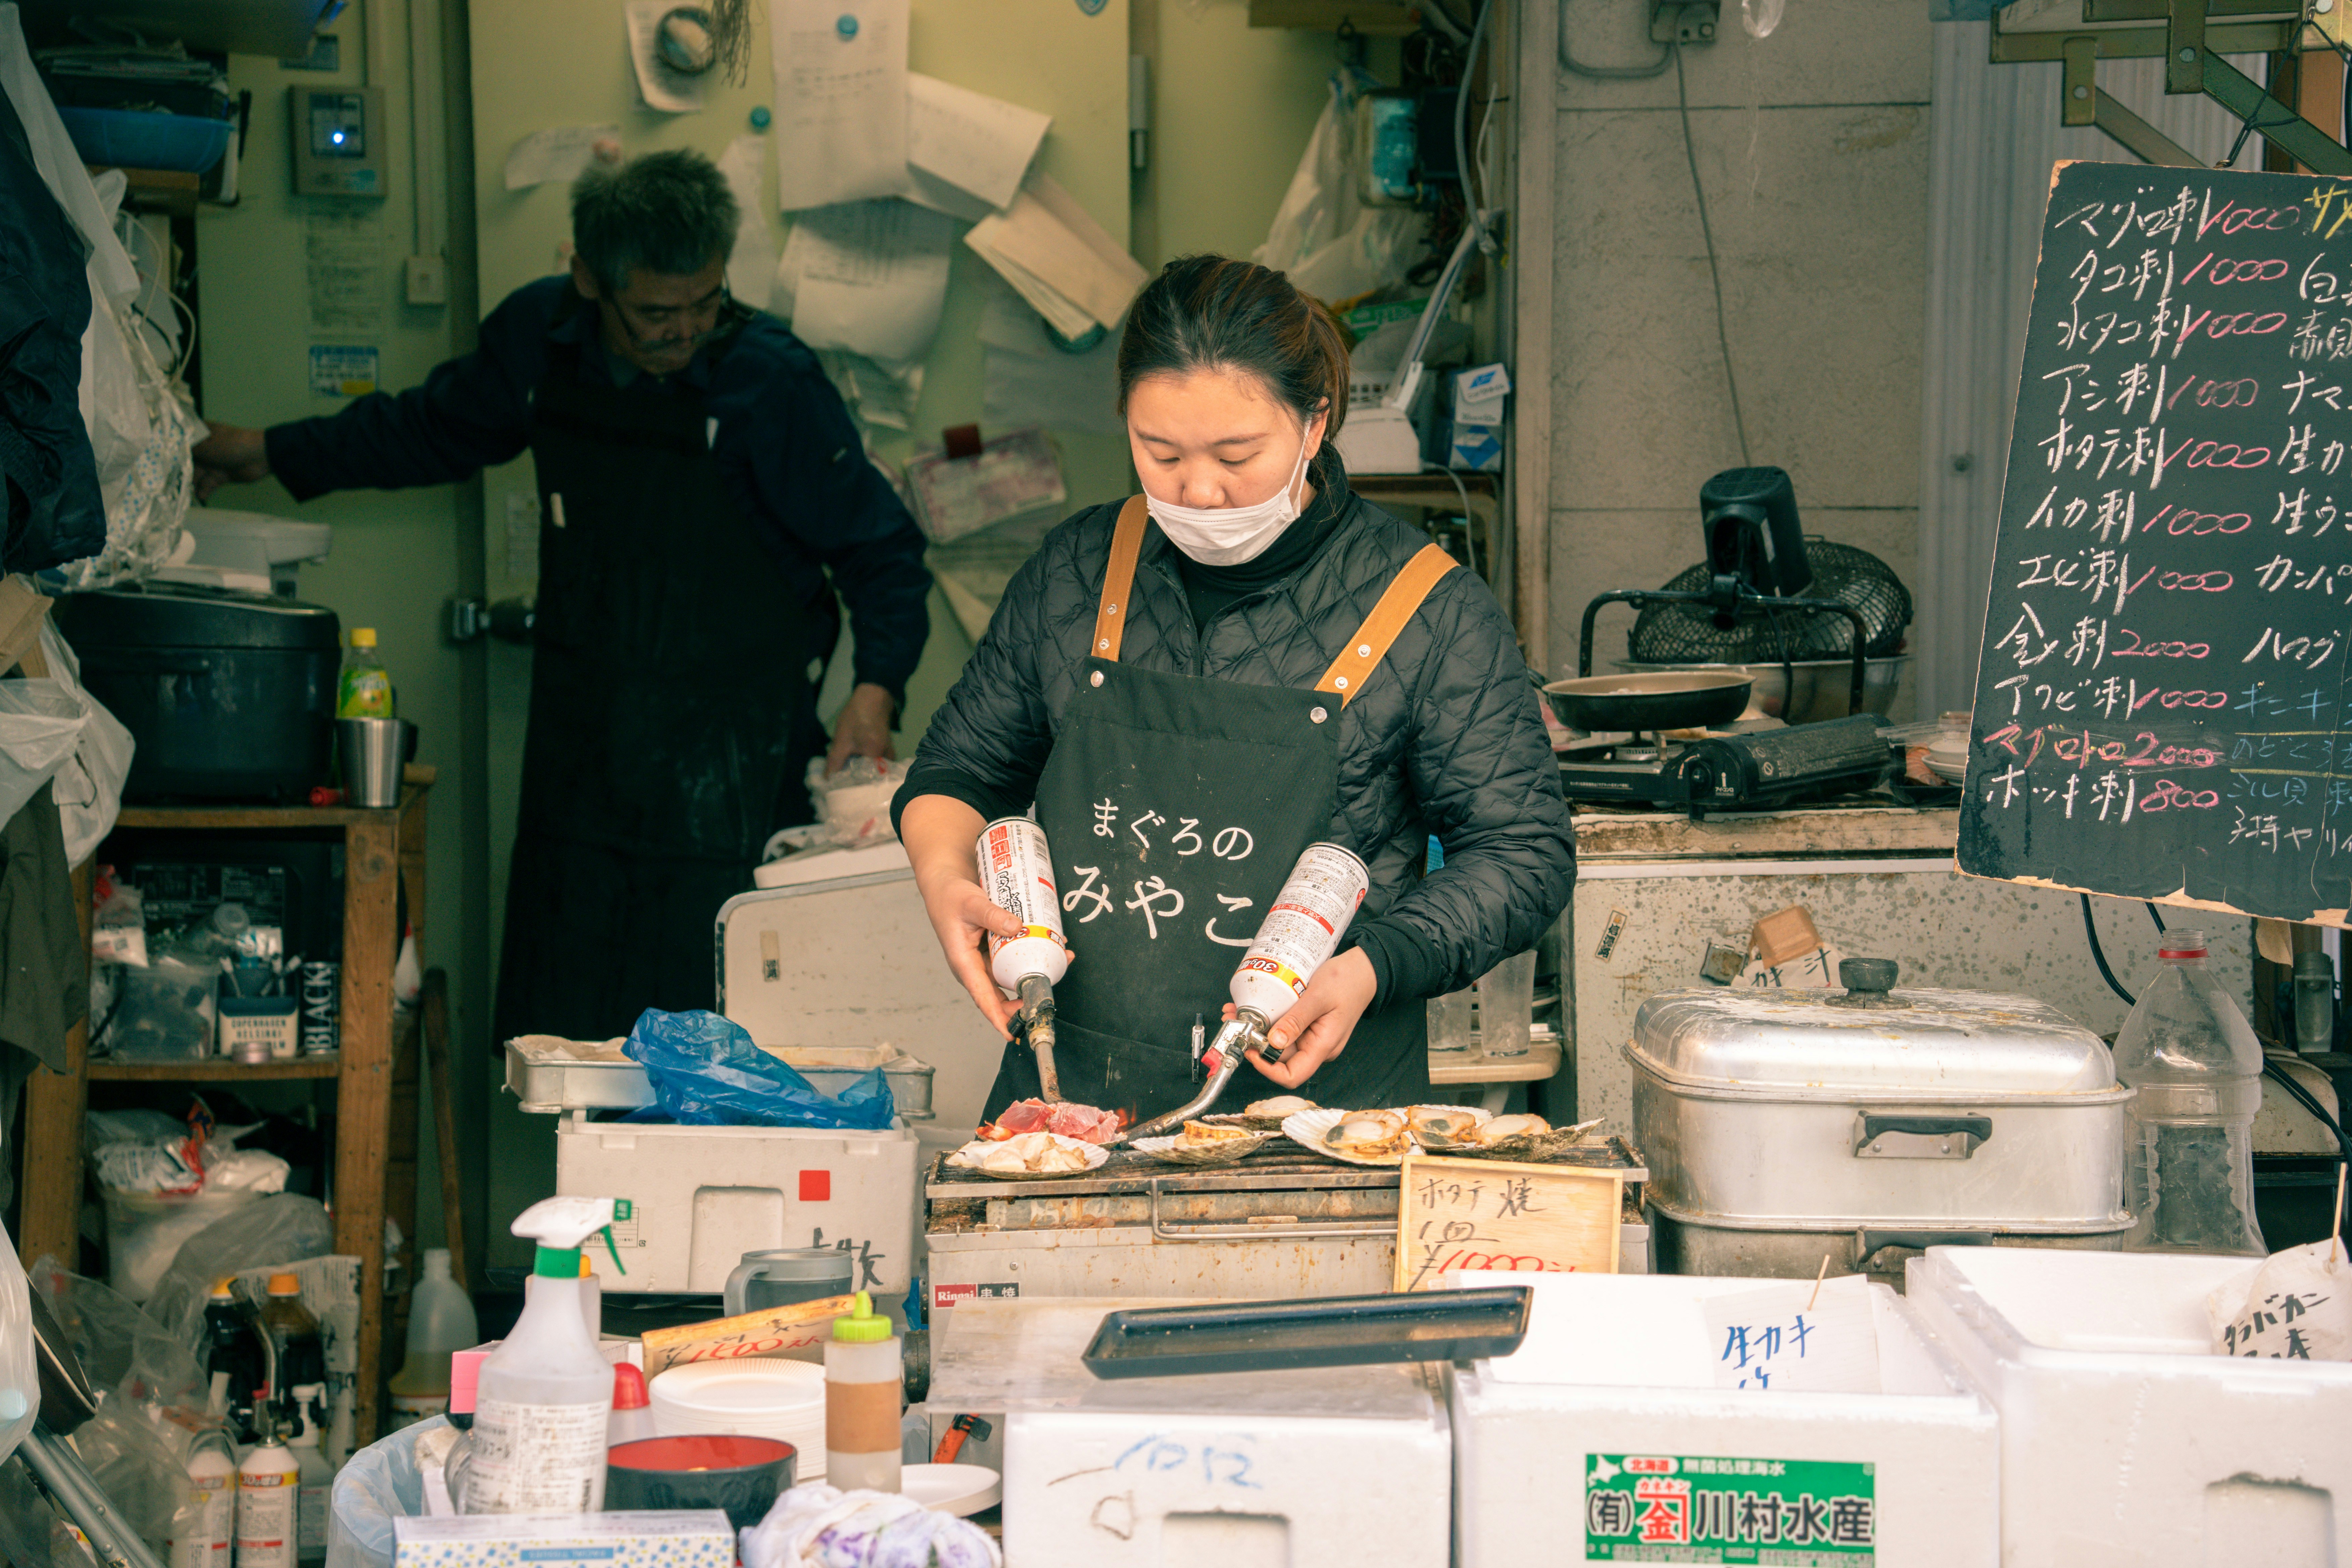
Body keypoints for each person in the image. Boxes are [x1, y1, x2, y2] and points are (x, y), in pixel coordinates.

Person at [191, 149, 933, 1043]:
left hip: (736, 771)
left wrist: (876, 686)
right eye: (658, 312)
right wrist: (269, 452)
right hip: (585, 761)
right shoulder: (540, 344)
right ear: (588, 277)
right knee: (577, 1039)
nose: (685, 332)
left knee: (729, 1043)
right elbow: (429, 432)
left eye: (706, 303)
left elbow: (883, 549)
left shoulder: (769, 381)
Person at [894, 255, 1573, 1123]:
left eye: (1238, 455)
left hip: (1323, 1120)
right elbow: (961, 769)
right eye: (1161, 452)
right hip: (1073, 1112)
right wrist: (945, 873)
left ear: (1316, 422)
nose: (1201, 491)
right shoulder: (1080, 570)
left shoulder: (1430, 611)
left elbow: (1523, 853)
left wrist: (1374, 967)